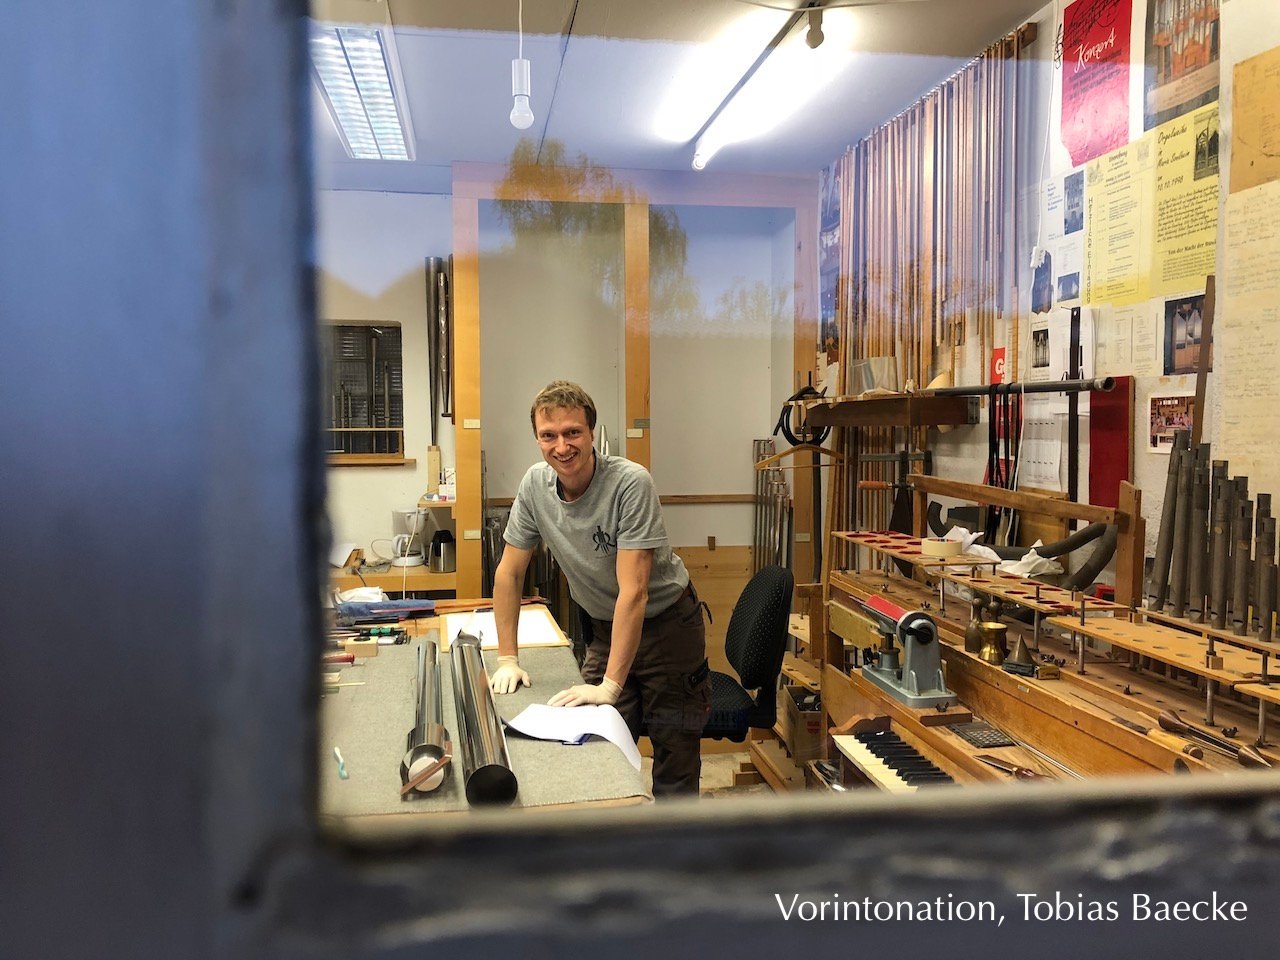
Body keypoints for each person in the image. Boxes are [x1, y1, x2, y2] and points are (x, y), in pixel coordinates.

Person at [488, 380, 710, 798]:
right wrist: (507, 658)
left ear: (592, 433)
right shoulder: (535, 486)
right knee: (589, 746)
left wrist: (610, 687)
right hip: (607, 630)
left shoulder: (630, 483)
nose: (562, 446)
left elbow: (635, 593)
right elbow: (509, 574)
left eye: (573, 432)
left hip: (668, 630)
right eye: (548, 435)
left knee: (674, 759)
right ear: (537, 439)